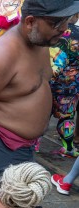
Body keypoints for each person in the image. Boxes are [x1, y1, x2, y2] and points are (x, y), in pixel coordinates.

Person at [0, 0, 79, 208]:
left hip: (23, 145)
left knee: (12, 202)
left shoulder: (41, 43)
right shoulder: (4, 52)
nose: (64, 28)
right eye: (57, 23)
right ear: (30, 21)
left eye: (66, 21)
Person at [49, 13, 79, 157]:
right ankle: (68, 148)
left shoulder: (54, 30)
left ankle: (32, 146)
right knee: (66, 118)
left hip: (48, 82)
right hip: (70, 86)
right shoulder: (78, 34)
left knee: (41, 115)